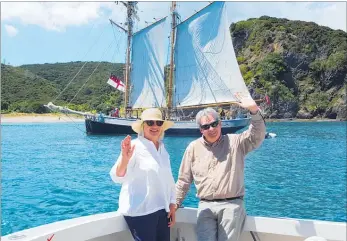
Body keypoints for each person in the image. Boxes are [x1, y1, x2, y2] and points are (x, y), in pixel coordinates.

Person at [175, 94, 266, 241]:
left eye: (214, 123)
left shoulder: (236, 142)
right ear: (201, 130)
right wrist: (174, 204)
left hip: (232, 204)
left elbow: (257, 136)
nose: (211, 128)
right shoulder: (193, 148)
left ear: (220, 124)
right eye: (206, 126)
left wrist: (254, 111)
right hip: (205, 206)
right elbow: (183, 181)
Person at [110, 108, 177, 241]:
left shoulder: (163, 149)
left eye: (158, 123)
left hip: (162, 210)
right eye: (150, 122)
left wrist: (172, 204)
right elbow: (117, 177)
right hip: (141, 212)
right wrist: (124, 158)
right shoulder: (135, 146)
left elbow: (169, 180)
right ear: (142, 126)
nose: (154, 126)